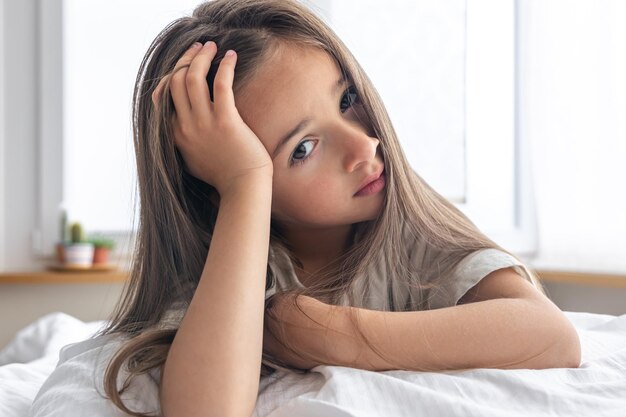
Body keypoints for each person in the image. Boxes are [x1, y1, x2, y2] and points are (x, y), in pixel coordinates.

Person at [30, 1, 581, 416]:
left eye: (347, 100)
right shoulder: (232, 264)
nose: (362, 146)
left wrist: (333, 334)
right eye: (302, 148)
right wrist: (246, 183)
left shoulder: (405, 223)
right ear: (213, 187)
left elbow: (550, 334)